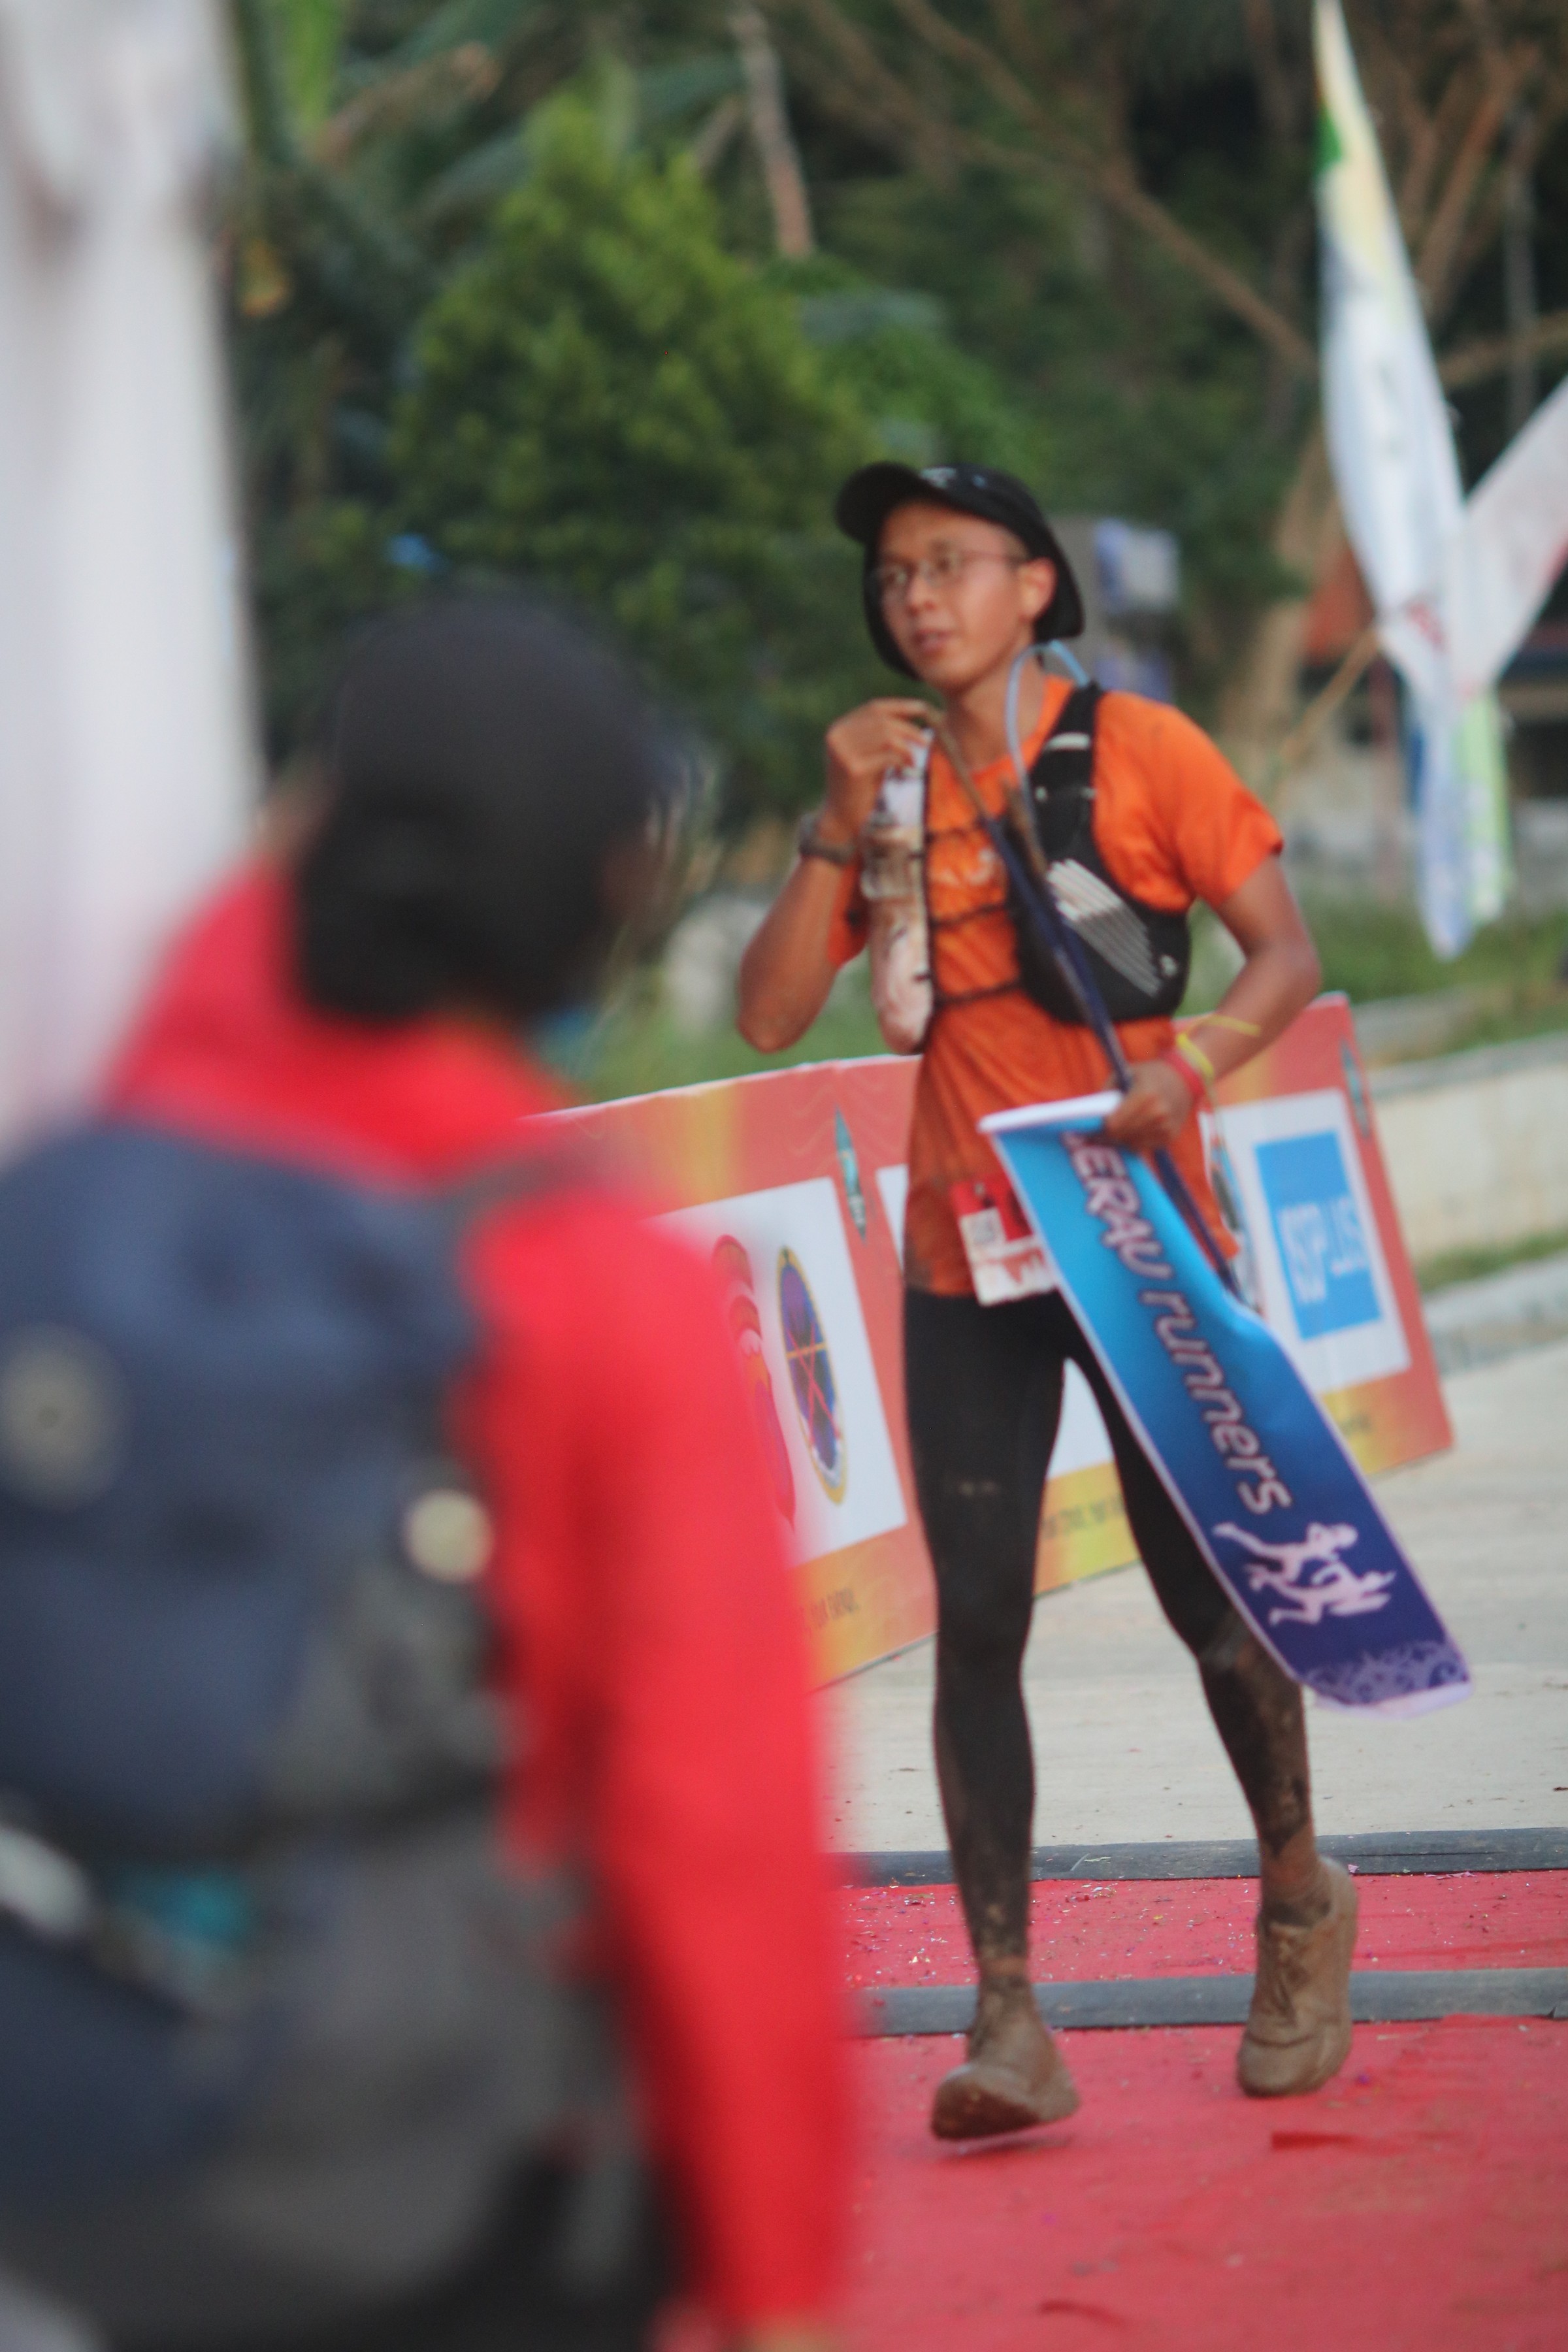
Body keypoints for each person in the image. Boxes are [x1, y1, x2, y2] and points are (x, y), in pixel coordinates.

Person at [0, 600, 843, 2351]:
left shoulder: (84, 1188)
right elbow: (710, 1824)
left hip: (85, 2143)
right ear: (608, 896)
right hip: (433, 2175)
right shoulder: (590, 1290)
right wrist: (779, 2285)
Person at [738, 461, 1351, 2139]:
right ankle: (1009, 2015)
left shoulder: (1145, 750)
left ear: (1034, 586)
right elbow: (772, 1018)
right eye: (892, 576)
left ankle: (1300, 1900)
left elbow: (1285, 952)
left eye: (948, 564)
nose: (915, 597)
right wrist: (826, 816)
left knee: (1209, 1600)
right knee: (979, 1624)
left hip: (1138, 1233)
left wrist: (1194, 1070)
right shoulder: (883, 789)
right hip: (965, 1257)